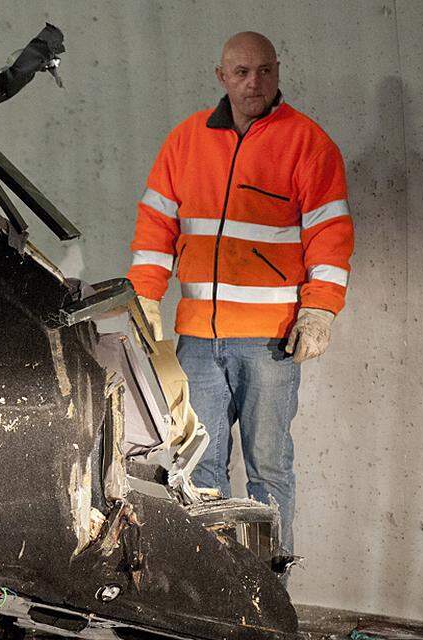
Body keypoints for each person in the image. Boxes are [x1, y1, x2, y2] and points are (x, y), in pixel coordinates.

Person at [127, 32, 353, 564]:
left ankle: (269, 597)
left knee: (268, 469)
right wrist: (143, 300)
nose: (255, 82)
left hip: (270, 341)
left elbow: (330, 235)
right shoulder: (185, 141)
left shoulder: (307, 143)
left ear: (278, 72)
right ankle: (211, 595)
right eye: (242, 72)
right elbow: (155, 227)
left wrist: (319, 310)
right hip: (198, 343)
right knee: (195, 467)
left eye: (265, 71)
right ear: (222, 76)